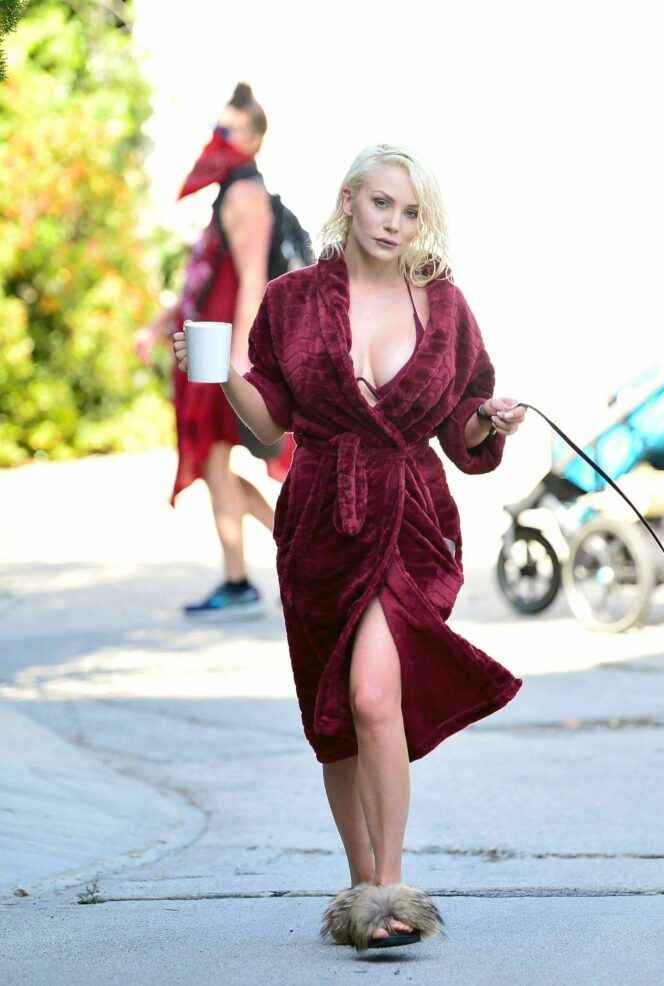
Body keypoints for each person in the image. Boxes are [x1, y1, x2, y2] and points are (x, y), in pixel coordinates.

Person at [172, 144, 527, 949]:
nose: (395, 223)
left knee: (371, 695)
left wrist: (488, 421)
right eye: (382, 204)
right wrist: (222, 372)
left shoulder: (445, 306)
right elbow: (270, 423)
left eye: (411, 212)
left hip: (409, 519)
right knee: (334, 714)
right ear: (349, 201)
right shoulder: (293, 300)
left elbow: (462, 427)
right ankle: (362, 886)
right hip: (319, 524)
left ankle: (390, 887)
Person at [136, 82, 293, 619]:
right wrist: (157, 327)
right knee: (213, 464)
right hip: (209, 345)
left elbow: (252, 280)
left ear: (253, 139)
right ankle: (284, 555)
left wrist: (243, 358)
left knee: (214, 460)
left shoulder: (246, 194)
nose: (218, 137)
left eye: (229, 130)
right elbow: (202, 282)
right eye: (216, 127)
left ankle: (247, 575)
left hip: (225, 352)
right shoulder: (227, 192)